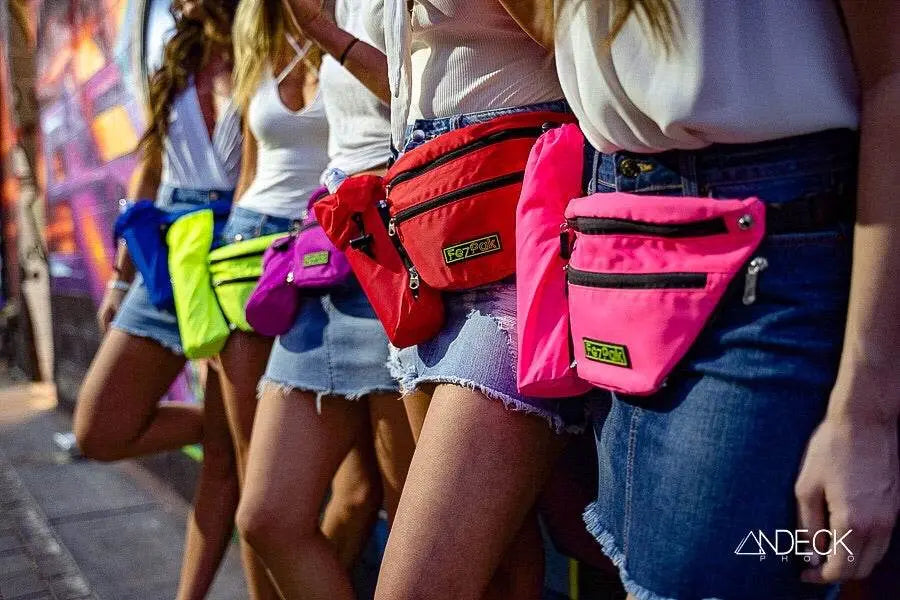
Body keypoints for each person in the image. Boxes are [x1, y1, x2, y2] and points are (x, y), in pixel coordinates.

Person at [508, 1, 899, 598]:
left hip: (772, 244)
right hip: (619, 236)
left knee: (724, 570)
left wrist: (867, 417)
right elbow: (547, 28)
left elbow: (891, 75)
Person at [287, 1, 587, 598]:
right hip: (426, 234)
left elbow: (579, 46)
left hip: (515, 225)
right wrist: (323, 30)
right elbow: (408, 93)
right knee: (499, 555)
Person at [233, 0, 415, 598]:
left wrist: (323, 32)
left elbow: (422, 98)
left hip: (396, 250)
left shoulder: (327, 22)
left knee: (407, 521)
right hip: (331, 245)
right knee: (267, 517)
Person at [72, 1, 245, 598]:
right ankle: (239, 427)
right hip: (169, 247)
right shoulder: (173, 51)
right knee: (99, 429)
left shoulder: (263, 43)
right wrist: (122, 278)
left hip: (240, 244)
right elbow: (149, 166)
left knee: (223, 463)